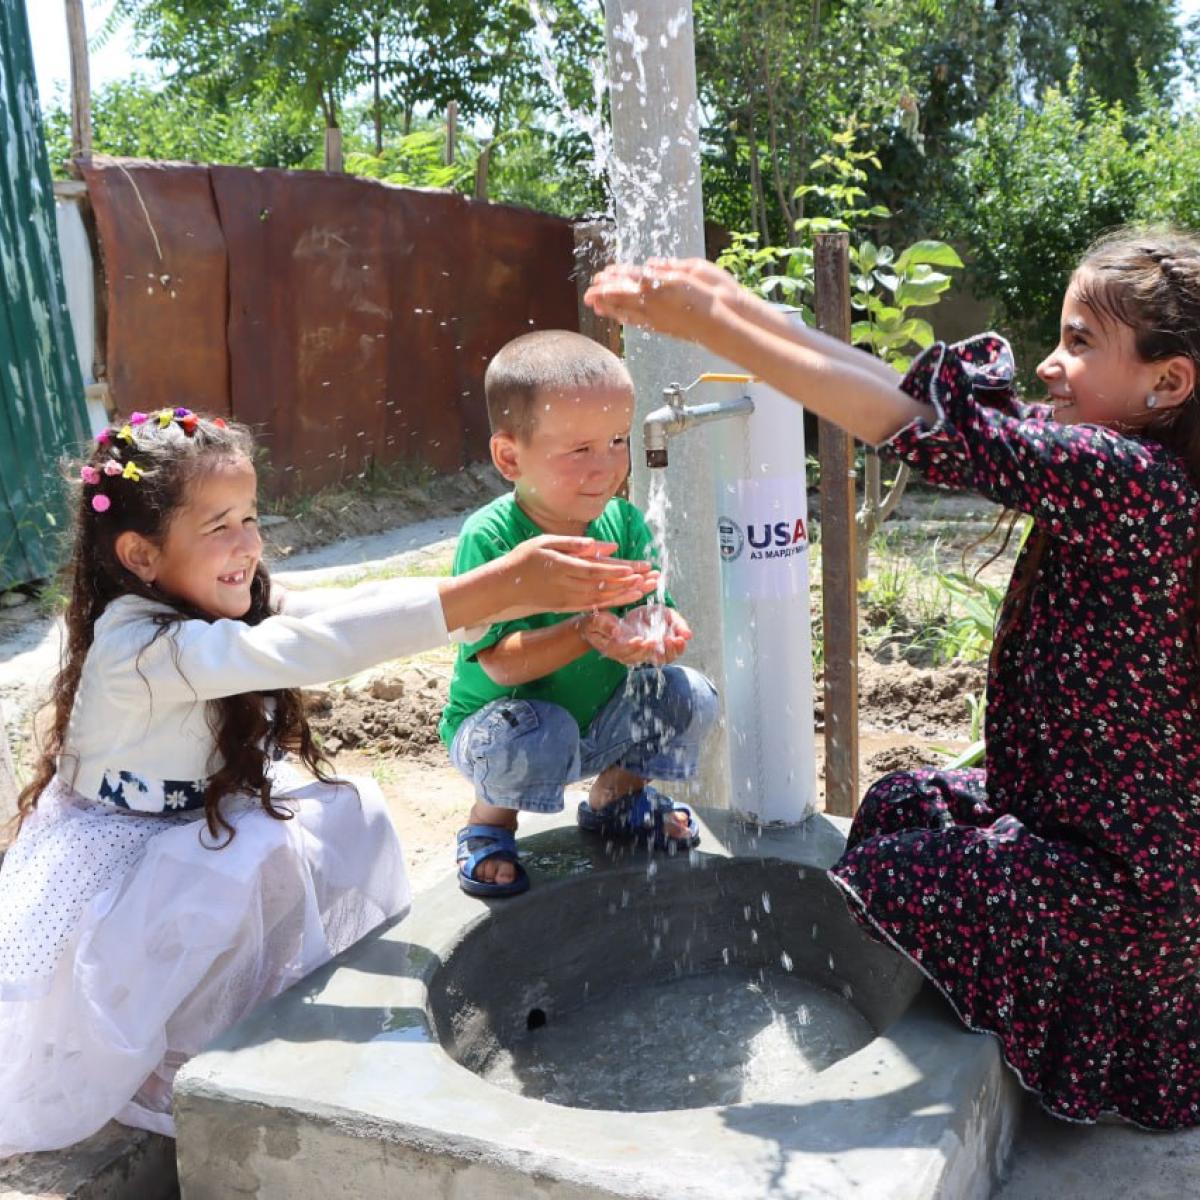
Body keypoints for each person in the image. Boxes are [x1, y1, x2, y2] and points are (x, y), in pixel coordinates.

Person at [586, 228, 1200, 1130]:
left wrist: (723, 328)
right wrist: (740, 309)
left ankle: (1063, 1017)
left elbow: (921, 428)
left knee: (899, 875)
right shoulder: (1119, 469)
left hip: (1120, 883)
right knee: (901, 804)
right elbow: (912, 401)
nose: (1049, 362)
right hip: (1066, 816)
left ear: (1168, 381)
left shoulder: (1136, 484)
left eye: (1080, 342)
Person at [0, 406, 660, 1154]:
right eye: (218, 526)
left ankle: (250, 1020)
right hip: (119, 865)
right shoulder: (136, 645)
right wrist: (497, 584)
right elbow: (319, 646)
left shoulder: (232, 598)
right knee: (239, 863)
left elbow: (346, 609)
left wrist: (513, 595)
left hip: (188, 829)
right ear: (141, 556)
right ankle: (173, 1063)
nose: (247, 545)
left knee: (347, 816)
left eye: (250, 517)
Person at [440, 330, 719, 898]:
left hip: (597, 725)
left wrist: (655, 632)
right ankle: (489, 825)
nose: (608, 466)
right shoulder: (493, 538)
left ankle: (617, 797)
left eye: (617, 440)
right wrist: (583, 634)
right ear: (510, 457)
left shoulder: (621, 524)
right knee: (537, 729)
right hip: (505, 735)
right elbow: (499, 667)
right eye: (580, 450)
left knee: (686, 692)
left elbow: (651, 607)